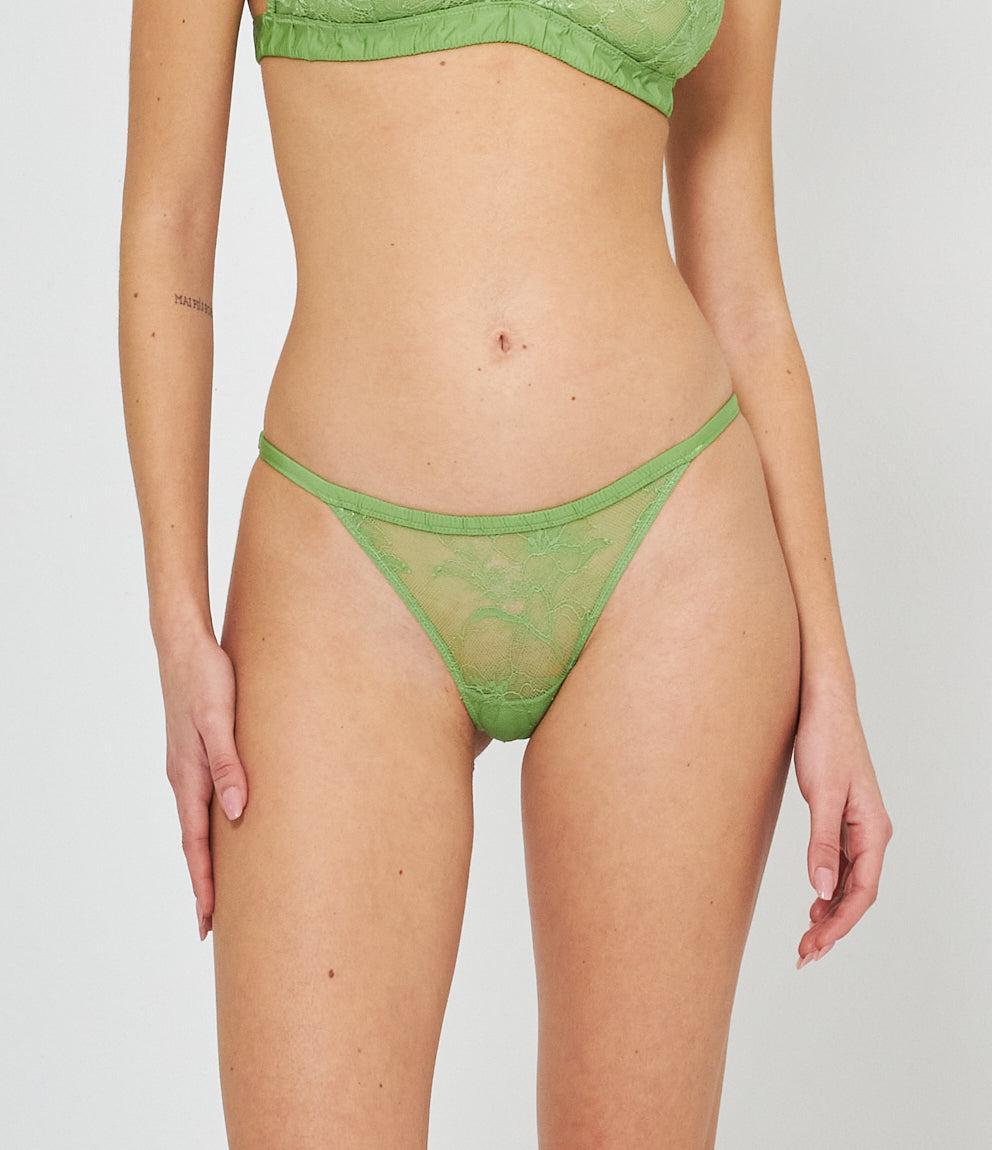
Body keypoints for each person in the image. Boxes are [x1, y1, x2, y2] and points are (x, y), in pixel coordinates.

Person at [119, 1, 893, 1145]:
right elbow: (168, 226)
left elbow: (742, 287)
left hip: (670, 553)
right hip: (339, 562)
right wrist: (177, 624)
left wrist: (829, 676)